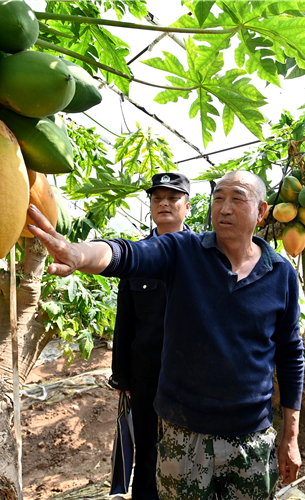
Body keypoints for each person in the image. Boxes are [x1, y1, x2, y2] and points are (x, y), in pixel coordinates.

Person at [28, 170, 304, 500]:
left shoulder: (281, 273)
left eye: (237, 198)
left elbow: (290, 353)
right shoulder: (182, 251)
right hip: (183, 434)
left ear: (261, 212)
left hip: (251, 437)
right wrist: (80, 254)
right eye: (218, 198)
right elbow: (127, 254)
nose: (224, 208)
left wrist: (291, 436)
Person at [109, 172, 192, 500]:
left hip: (192, 375)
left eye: (172, 198)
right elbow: (125, 321)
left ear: (187, 206)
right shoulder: (137, 256)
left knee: (192, 448)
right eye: (157, 198)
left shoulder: (204, 255)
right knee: (147, 450)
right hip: (147, 375)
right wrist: (122, 376)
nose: (164, 204)